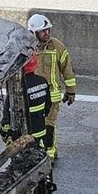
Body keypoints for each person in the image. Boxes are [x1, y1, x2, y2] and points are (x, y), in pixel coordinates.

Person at [27, 13, 76, 160]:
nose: (47, 33)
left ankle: (49, 155)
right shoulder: (26, 48)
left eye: (48, 30)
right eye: (43, 31)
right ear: (33, 32)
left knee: (48, 126)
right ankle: (35, 153)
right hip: (33, 97)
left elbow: (67, 69)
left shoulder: (57, 46)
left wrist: (71, 91)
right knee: (34, 127)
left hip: (52, 97)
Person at [0, 53, 51, 149]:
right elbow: (48, 107)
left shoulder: (17, 86)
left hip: (21, 135)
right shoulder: (43, 81)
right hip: (40, 131)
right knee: (37, 154)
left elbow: (8, 111)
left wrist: (5, 131)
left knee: (21, 159)